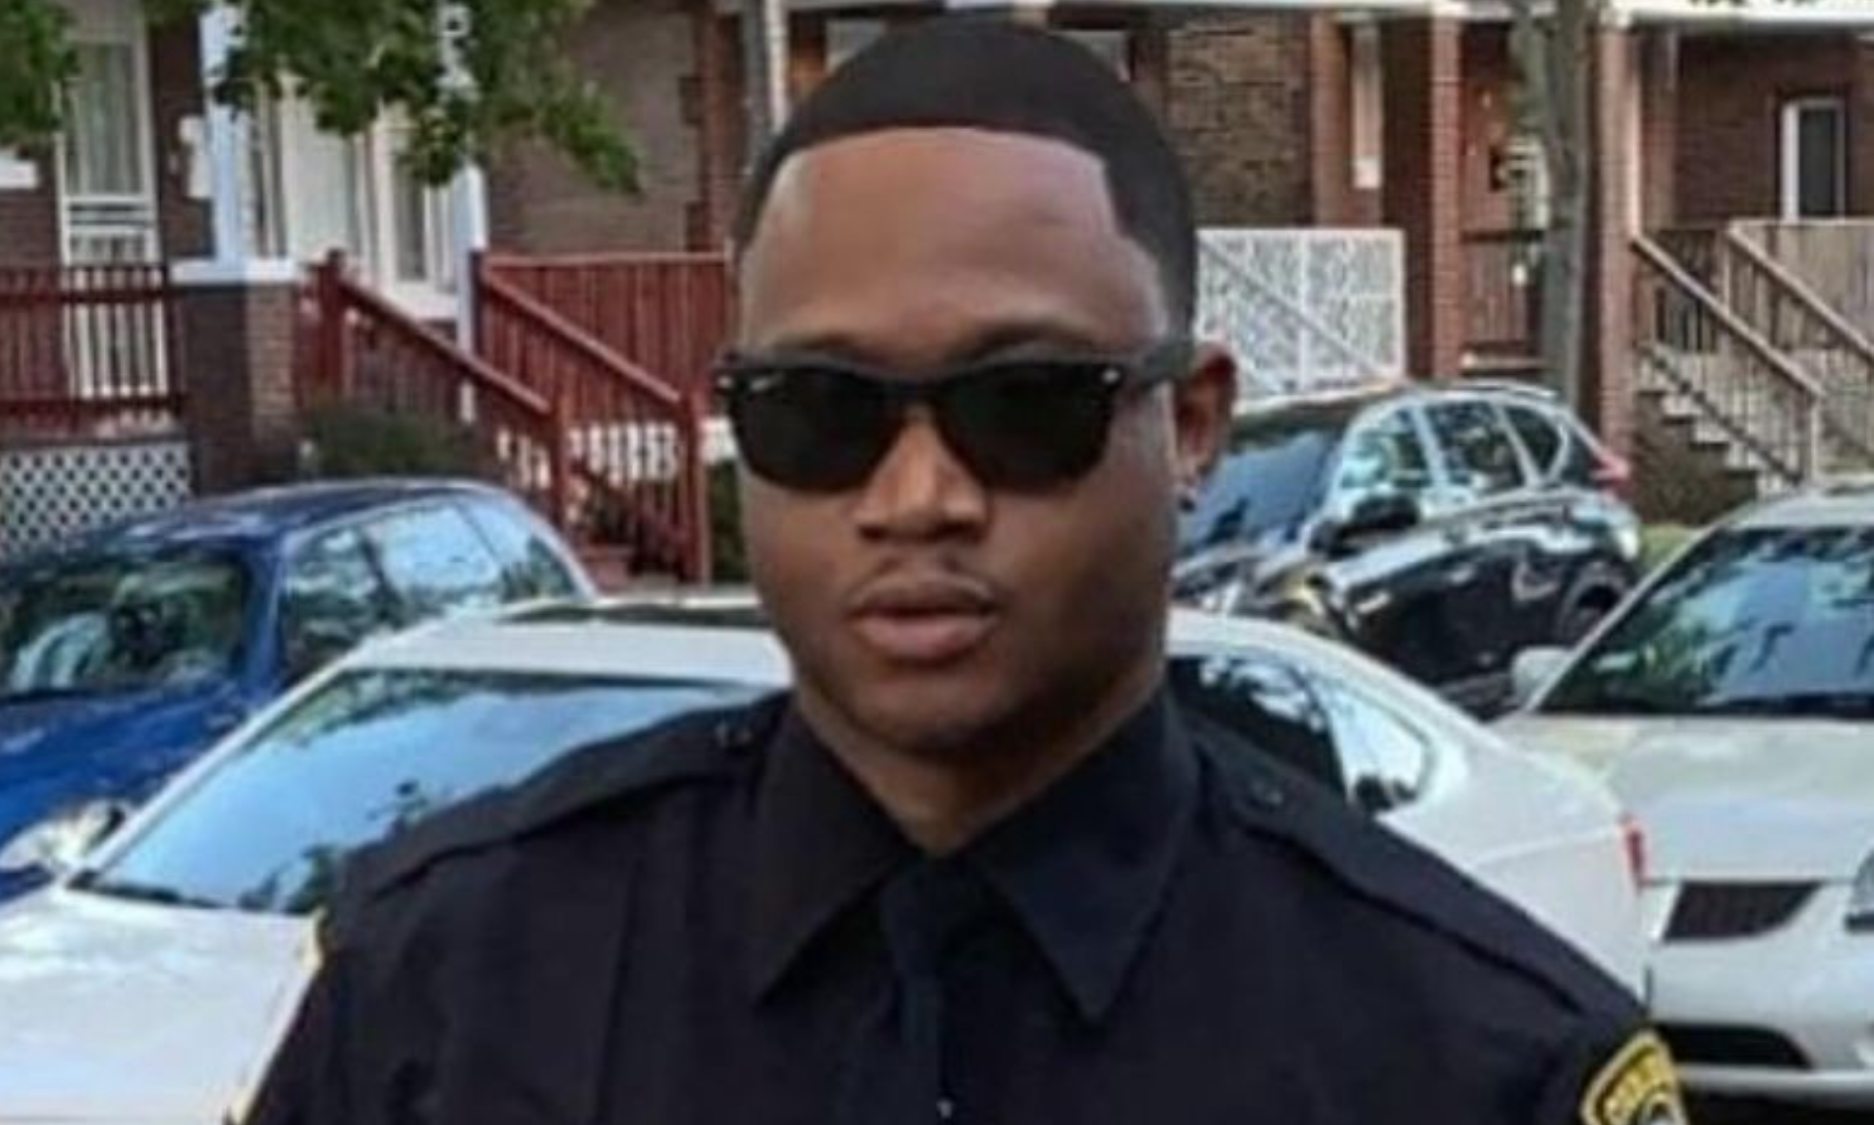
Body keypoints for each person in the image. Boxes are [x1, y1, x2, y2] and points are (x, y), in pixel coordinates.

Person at [240, 19, 1684, 1125]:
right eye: (820, 411)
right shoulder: (451, 989)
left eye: (1025, 404)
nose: (917, 497)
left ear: (1193, 426)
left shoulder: (1471, 1061)